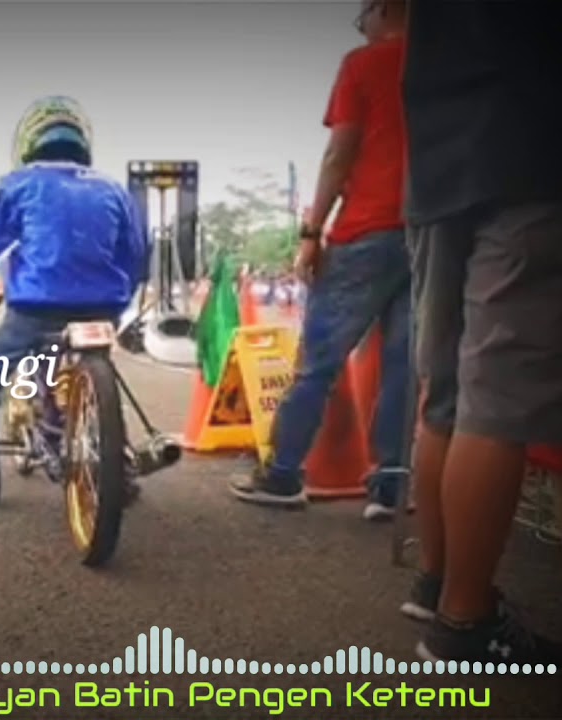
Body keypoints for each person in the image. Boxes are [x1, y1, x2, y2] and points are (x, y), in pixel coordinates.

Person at [400, 0, 562, 667]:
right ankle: (464, 621)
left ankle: (436, 583)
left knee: (445, 395)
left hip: (440, 166)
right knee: (498, 404)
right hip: (536, 149)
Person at [230, 0, 411, 520]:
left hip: (365, 231)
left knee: (319, 363)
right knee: (404, 364)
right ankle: (391, 486)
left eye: (362, 16)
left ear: (383, 9)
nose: (362, 26)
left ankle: (284, 474)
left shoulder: (363, 64)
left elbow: (339, 152)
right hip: (427, 231)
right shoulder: (441, 66)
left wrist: (312, 232)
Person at [0, 96, 149, 508]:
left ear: (30, 143)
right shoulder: (113, 189)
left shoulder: (17, 184)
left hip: (36, 309)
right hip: (102, 309)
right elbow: (134, 255)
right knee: (100, 372)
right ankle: (119, 463)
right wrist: (118, 303)